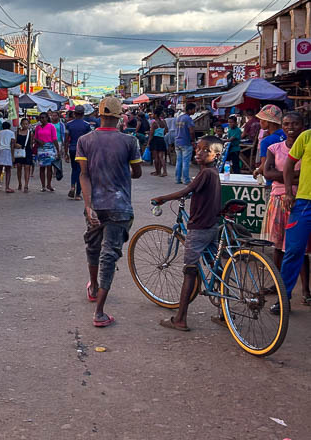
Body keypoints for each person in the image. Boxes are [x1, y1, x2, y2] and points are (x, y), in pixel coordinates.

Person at [77, 97, 142, 327]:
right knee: (109, 255)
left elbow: (83, 175)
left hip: (95, 205)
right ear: (119, 117)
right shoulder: (129, 141)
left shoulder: (85, 140)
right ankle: (99, 312)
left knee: (94, 248)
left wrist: (88, 205)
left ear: (99, 114)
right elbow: (137, 172)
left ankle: (93, 287)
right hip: (119, 206)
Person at [152, 135, 224, 332]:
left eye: (205, 150)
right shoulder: (213, 172)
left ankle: (180, 318)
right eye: (198, 149)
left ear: (216, 155)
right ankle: (224, 313)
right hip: (212, 226)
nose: (199, 153)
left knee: (189, 271)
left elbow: (186, 191)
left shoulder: (205, 174)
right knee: (215, 265)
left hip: (199, 228)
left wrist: (162, 198)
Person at [262, 112, 311, 303]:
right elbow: (289, 165)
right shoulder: (306, 137)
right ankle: (284, 298)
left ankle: (304, 291)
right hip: (304, 202)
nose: (291, 127)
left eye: (295, 123)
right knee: (293, 251)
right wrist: (290, 192)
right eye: (287, 123)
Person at [65, 105, 91, 200]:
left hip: (72, 149)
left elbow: (66, 139)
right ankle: (78, 194)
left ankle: (72, 186)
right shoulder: (86, 125)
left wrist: (65, 152)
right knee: (81, 171)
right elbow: (89, 140)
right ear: (83, 114)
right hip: (83, 151)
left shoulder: (69, 124)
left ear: (74, 113)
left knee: (74, 169)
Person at [252, 105, 285, 181]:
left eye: (261, 119)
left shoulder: (266, 141)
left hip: (273, 181)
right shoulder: (288, 135)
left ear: (266, 122)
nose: (260, 122)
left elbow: (264, 165)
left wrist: (257, 171)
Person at [34, 112, 59, 192]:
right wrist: (39, 141)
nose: (42, 119)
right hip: (41, 148)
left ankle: (49, 184)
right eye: (41, 118)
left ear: (47, 118)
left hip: (50, 148)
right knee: (42, 167)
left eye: (43, 117)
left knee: (49, 167)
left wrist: (58, 150)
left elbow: (54, 139)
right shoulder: (38, 127)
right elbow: (35, 137)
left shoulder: (51, 127)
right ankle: (43, 186)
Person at [174, 103, 197, 184]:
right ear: (190, 110)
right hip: (186, 142)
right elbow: (191, 131)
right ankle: (186, 180)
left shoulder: (179, 118)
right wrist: (193, 141)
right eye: (194, 109)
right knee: (185, 162)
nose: (195, 111)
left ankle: (177, 179)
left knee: (179, 161)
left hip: (177, 141)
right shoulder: (188, 119)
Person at [0, 121, 16, 193]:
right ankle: (7, 187)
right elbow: (12, 144)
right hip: (7, 150)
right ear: (9, 127)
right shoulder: (11, 133)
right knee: (8, 170)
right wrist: (12, 155)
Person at [14, 116, 34, 193]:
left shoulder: (30, 133)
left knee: (27, 168)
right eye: (23, 124)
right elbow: (14, 142)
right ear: (21, 124)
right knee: (19, 167)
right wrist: (16, 145)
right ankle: (19, 183)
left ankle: (26, 185)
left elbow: (31, 143)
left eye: (26, 124)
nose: (25, 125)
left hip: (27, 151)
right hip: (19, 151)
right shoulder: (17, 132)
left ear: (28, 124)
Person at [149, 107, 168, 178]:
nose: (152, 115)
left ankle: (157, 171)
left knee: (156, 157)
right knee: (161, 157)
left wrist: (148, 143)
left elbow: (151, 134)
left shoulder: (154, 123)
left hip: (155, 140)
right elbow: (166, 130)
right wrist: (161, 133)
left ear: (156, 115)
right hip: (162, 139)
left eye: (153, 114)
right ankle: (164, 171)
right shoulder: (164, 122)